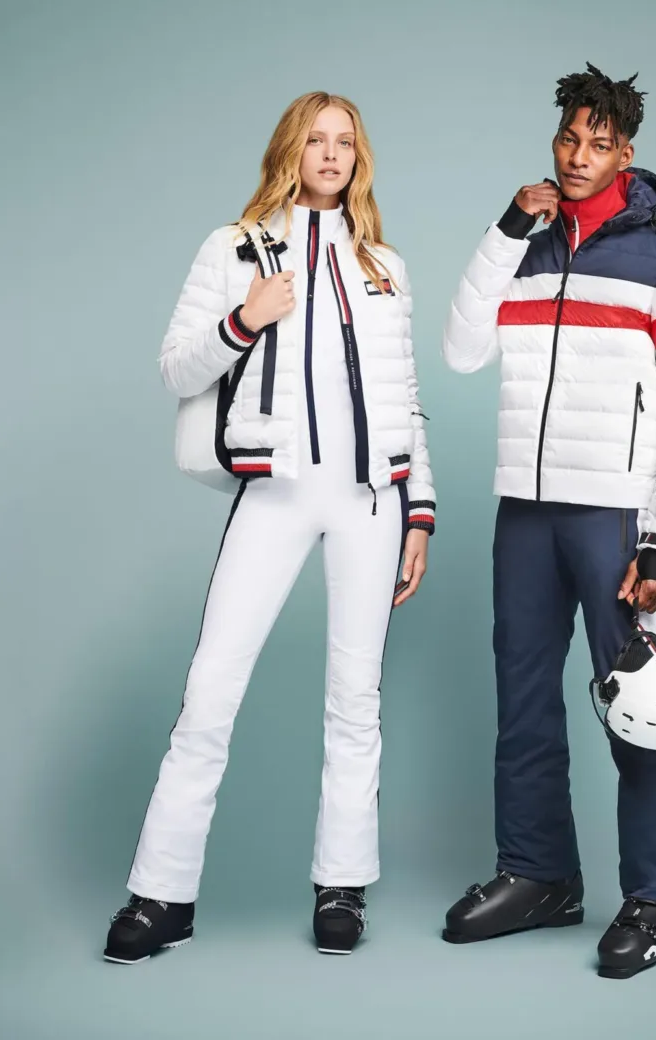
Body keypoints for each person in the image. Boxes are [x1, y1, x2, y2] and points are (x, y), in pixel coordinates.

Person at [104, 92, 436, 963]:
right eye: (315, 139)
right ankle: (161, 897)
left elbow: (405, 401)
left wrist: (419, 514)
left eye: (344, 142)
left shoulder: (385, 266)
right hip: (276, 492)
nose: (330, 154)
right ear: (290, 149)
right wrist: (244, 318)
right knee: (210, 691)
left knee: (356, 698)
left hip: (370, 501)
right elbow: (177, 367)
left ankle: (342, 887)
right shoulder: (235, 248)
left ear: (358, 157)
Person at [440, 61, 656, 979]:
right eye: (569, 137)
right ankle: (539, 875)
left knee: (637, 707)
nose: (578, 155)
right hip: (524, 508)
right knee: (522, 697)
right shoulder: (527, 246)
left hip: (612, 515)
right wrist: (504, 230)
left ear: (625, 153)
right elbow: (461, 349)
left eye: (599, 143)